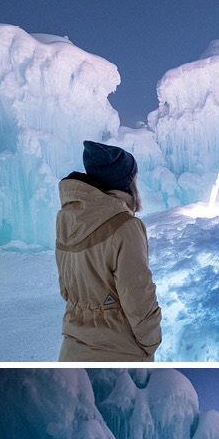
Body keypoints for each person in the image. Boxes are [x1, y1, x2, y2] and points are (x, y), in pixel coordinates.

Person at [55, 140, 162, 361]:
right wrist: (151, 344)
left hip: (72, 348)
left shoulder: (66, 218)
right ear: (126, 182)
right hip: (117, 351)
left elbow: (66, 289)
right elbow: (138, 298)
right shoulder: (126, 225)